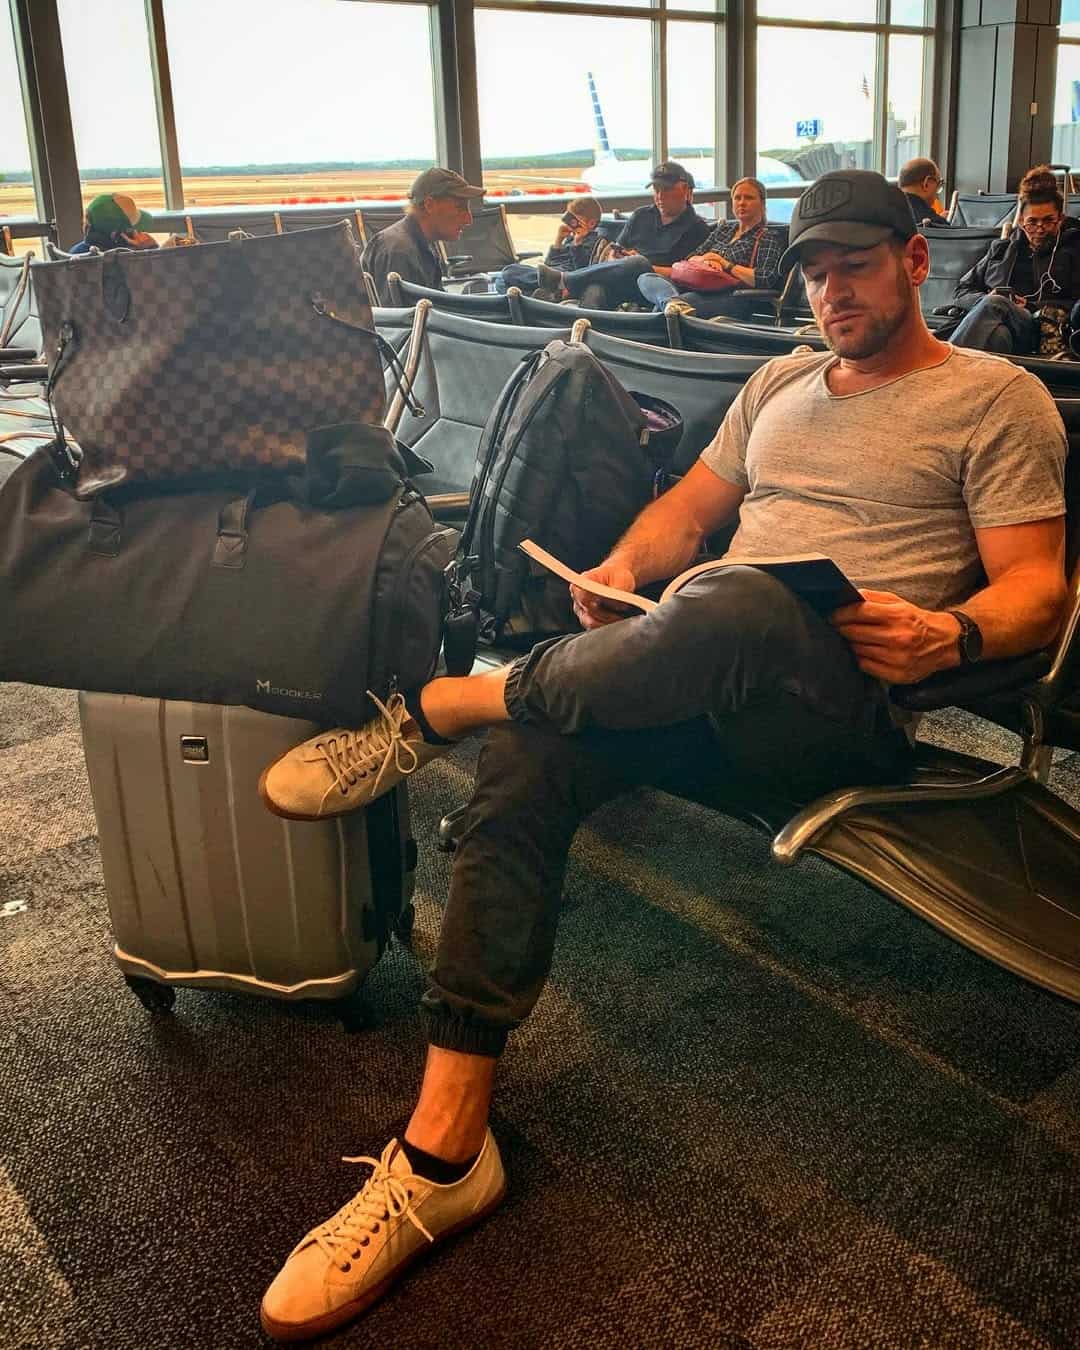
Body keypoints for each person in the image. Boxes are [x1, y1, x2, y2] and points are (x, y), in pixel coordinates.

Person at [256, 170, 1067, 1343]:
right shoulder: (780, 380)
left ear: (914, 259)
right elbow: (687, 510)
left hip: (833, 703)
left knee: (738, 608)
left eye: (855, 264)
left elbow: (1042, 588)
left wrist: (956, 629)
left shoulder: (995, 400)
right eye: (816, 270)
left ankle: (440, 707)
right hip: (695, 662)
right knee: (536, 751)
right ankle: (442, 1152)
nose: (832, 290)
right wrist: (630, 571)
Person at [528, 161, 710, 309]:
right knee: (594, 290)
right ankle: (581, 343)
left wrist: (644, 264)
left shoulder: (697, 228)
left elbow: (687, 276)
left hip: (653, 288)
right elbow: (616, 250)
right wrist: (615, 256)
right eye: (656, 189)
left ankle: (564, 282)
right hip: (620, 281)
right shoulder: (641, 215)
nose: (660, 196)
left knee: (638, 263)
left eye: (667, 190)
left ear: (685, 189)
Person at [948, 163, 1080, 356]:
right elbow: (961, 291)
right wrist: (986, 299)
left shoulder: (1074, 250)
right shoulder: (1002, 250)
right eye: (1032, 222)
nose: (1040, 228)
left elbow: (1077, 305)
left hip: (1041, 328)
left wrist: (1030, 306)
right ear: (1021, 222)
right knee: (998, 336)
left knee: (996, 304)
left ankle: (941, 368)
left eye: (1048, 220)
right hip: (1004, 328)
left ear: (1060, 218)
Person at [637, 176, 787, 318]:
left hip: (732, 295)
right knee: (646, 277)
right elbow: (691, 257)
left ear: (762, 203)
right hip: (699, 284)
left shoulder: (768, 237)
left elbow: (765, 278)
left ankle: (671, 307)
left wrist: (724, 264)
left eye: (749, 198)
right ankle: (671, 301)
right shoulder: (725, 230)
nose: (741, 203)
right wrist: (707, 261)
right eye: (737, 198)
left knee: (668, 309)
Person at [361, 167, 485, 305]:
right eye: (460, 207)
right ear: (429, 205)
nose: (468, 219)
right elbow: (397, 323)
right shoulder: (399, 251)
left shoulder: (423, 243)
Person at [494, 196, 605, 298]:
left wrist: (578, 244)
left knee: (509, 271)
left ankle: (550, 290)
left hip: (565, 278)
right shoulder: (572, 237)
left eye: (575, 221)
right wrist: (559, 240)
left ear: (591, 223)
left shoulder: (595, 241)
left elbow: (581, 271)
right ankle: (548, 294)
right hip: (552, 276)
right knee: (500, 280)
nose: (570, 224)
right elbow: (549, 264)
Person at [68, 193, 159, 254]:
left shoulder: (76, 252)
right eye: (136, 231)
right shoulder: (124, 261)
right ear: (118, 236)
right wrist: (150, 249)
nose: (140, 233)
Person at [898, 158, 949, 227]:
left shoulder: (882, 215)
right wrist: (941, 223)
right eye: (938, 185)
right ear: (926, 184)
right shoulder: (935, 223)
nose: (936, 194)